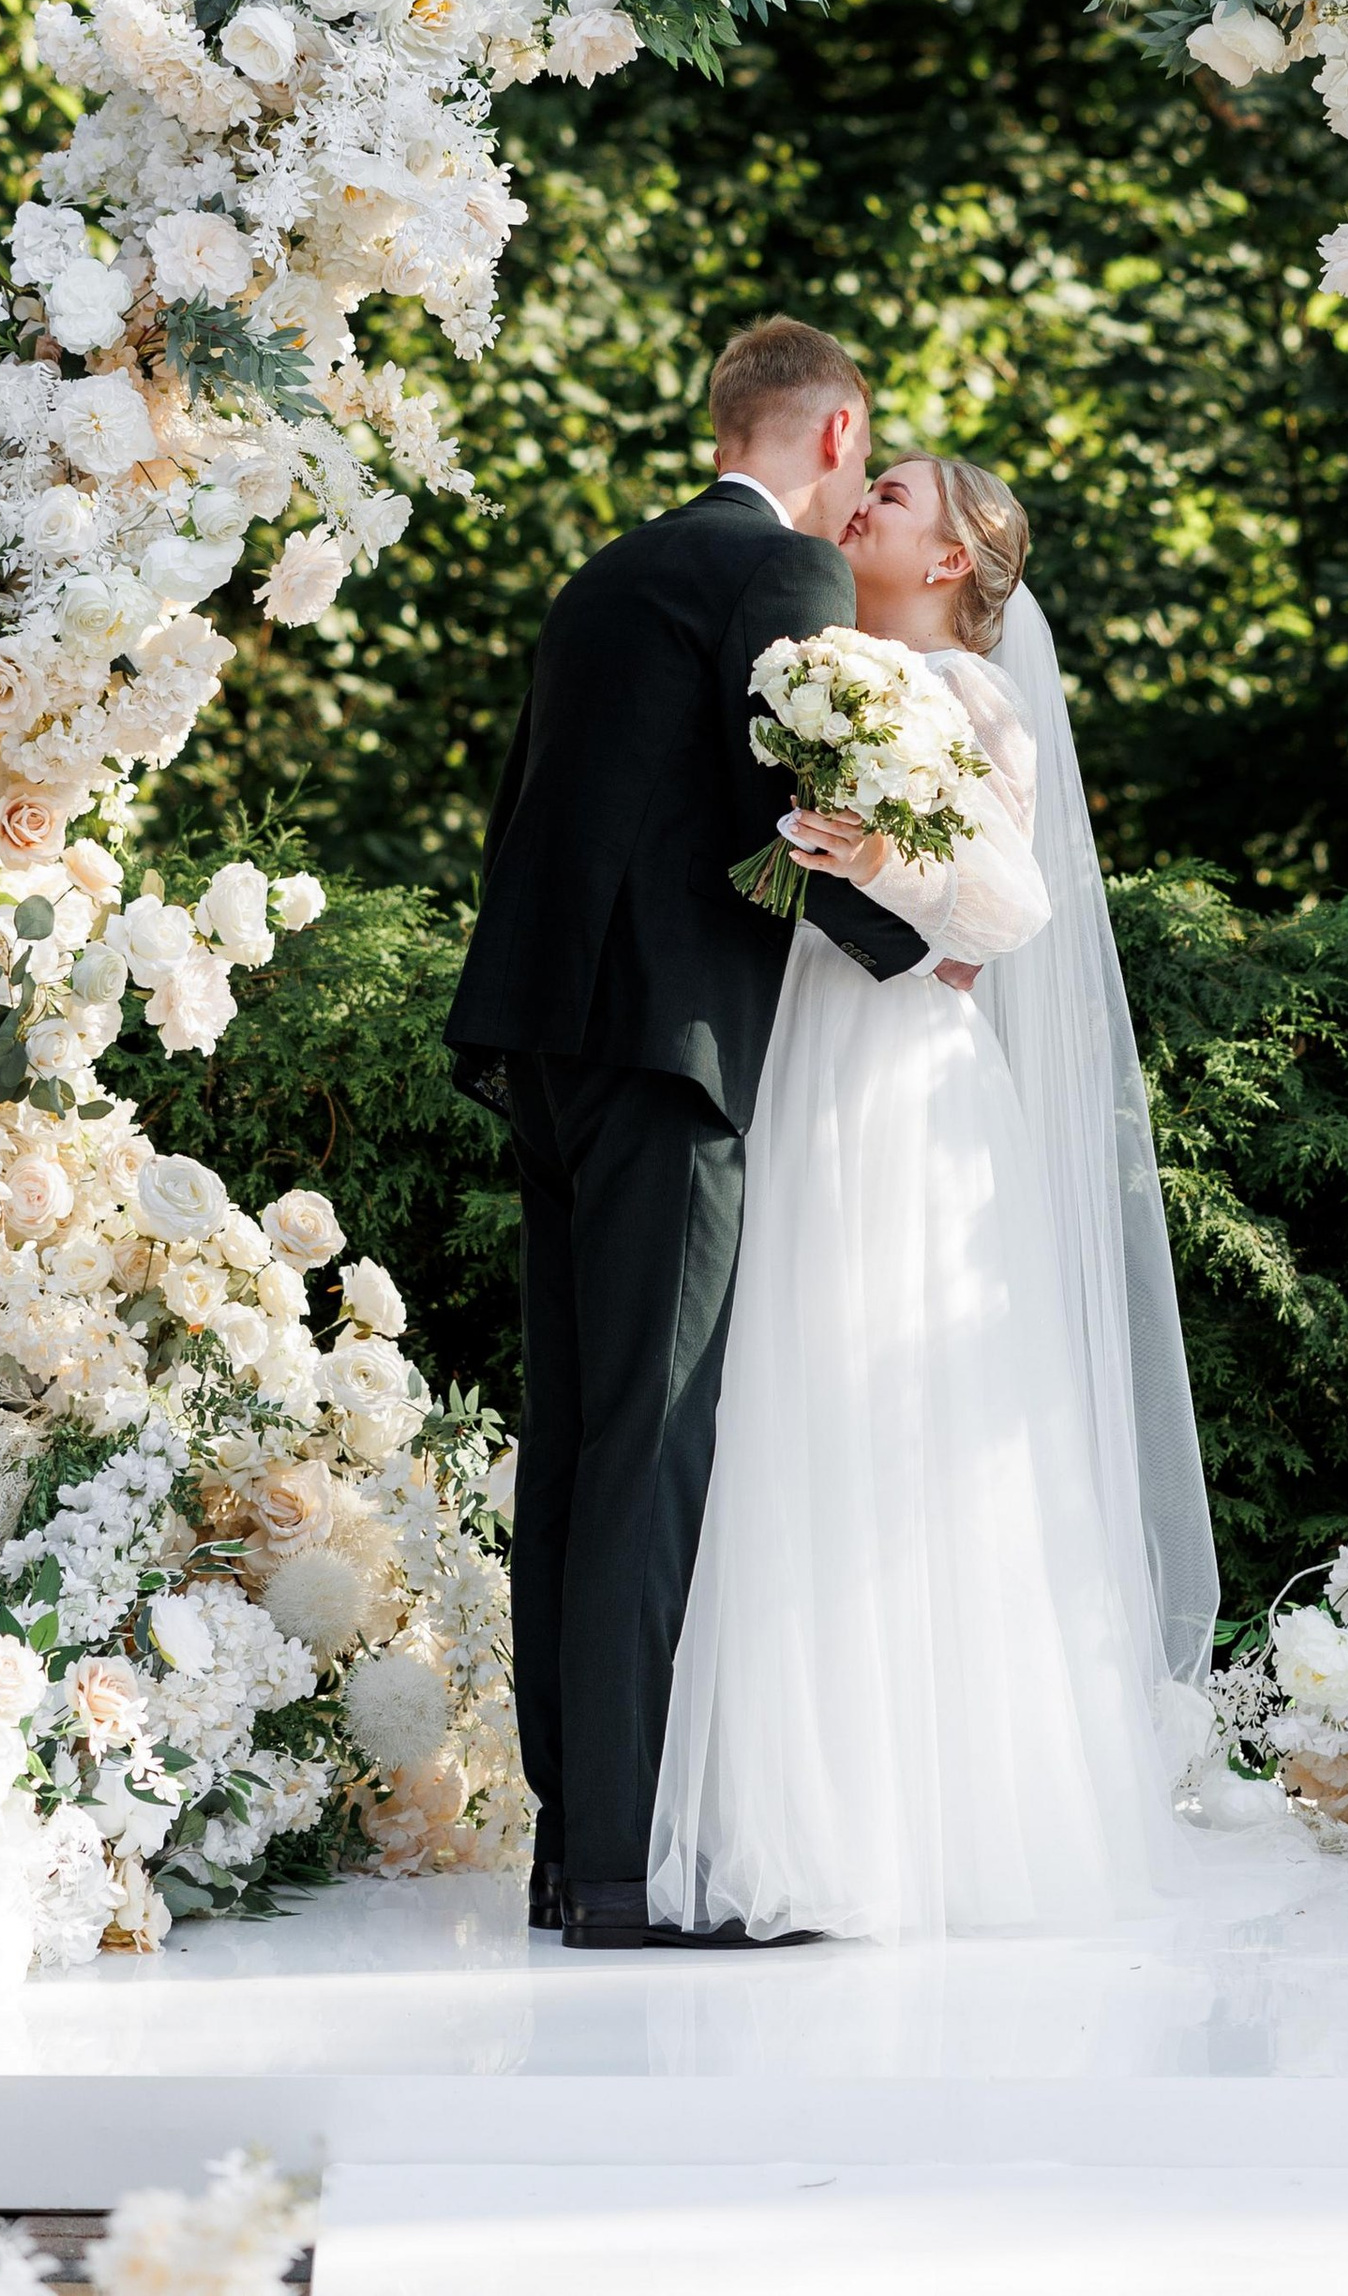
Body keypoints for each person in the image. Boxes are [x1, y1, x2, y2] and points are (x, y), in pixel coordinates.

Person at [647, 455, 1220, 1942]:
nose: (865, 510)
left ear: (957, 559)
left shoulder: (969, 698)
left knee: (902, 1407)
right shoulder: (821, 671)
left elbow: (1001, 913)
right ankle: (806, 1812)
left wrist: (883, 857)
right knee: (803, 1405)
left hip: (907, 1074)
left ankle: (933, 1823)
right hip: (810, 1050)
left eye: (893, 497)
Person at [446, 318, 934, 1950]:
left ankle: (570, 1847)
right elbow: (777, 825)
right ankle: (637, 1872)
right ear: (839, 430)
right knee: (653, 1447)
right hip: (670, 1049)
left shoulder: (604, 576)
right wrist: (924, 944)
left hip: (548, 1043)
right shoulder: (776, 583)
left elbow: (528, 806)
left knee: (578, 1446)